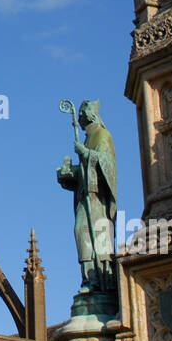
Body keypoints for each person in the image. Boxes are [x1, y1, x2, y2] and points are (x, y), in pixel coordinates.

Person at [56, 99, 118, 294]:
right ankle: (88, 277)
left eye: (84, 115)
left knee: (98, 236)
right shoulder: (88, 138)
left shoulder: (102, 135)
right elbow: (84, 171)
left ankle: (100, 279)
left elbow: (107, 164)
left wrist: (86, 153)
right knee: (81, 232)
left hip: (97, 199)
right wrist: (69, 173)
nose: (82, 120)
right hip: (85, 197)